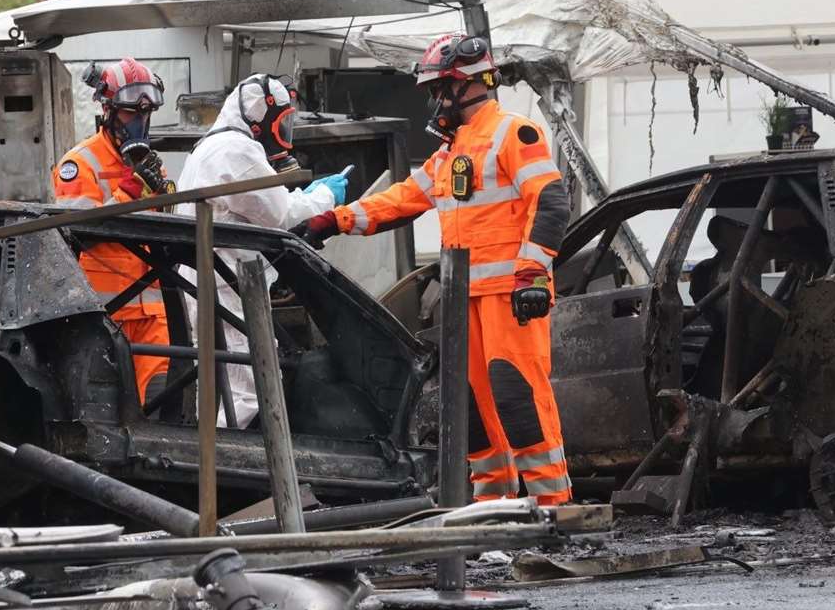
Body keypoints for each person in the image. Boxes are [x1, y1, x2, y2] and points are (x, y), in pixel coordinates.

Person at [299, 36, 573, 506]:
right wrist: (335, 219)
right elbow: (402, 200)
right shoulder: (449, 153)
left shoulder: (514, 132)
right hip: (464, 300)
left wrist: (532, 273)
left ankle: (555, 508)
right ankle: (492, 508)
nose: (434, 100)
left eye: (439, 89)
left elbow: (549, 201)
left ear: (466, 85)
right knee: (471, 411)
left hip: (511, 295)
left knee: (517, 397)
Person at [175, 74, 346, 428]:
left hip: (208, 280)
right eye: (281, 123)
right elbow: (279, 213)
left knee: (214, 383)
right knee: (248, 388)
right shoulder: (237, 149)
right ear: (259, 115)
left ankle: (211, 466)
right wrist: (325, 197)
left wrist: (303, 196)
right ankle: (239, 470)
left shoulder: (211, 145)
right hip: (226, 285)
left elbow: (262, 206)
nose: (283, 134)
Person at [52, 59, 175, 407]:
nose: (138, 123)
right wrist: (129, 192)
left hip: (152, 315)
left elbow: (165, 229)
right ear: (108, 111)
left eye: (144, 114)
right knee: (106, 410)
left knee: (160, 403)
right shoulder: (79, 164)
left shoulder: (152, 164)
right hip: (104, 317)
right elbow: (81, 232)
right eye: (128, 114)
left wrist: (163, 195)